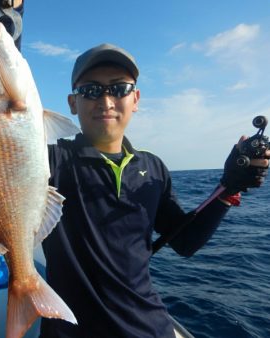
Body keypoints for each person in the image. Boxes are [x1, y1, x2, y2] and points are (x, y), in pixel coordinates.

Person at [40, 43, 269, 338]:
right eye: (91, 90)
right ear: (73, 103)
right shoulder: (48, 161)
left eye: (119, 88)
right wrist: (4, 21)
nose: (106, 100)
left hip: (149, 328)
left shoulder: (153, 167)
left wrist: (227, 189)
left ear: (135, 99)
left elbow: (185, 242)